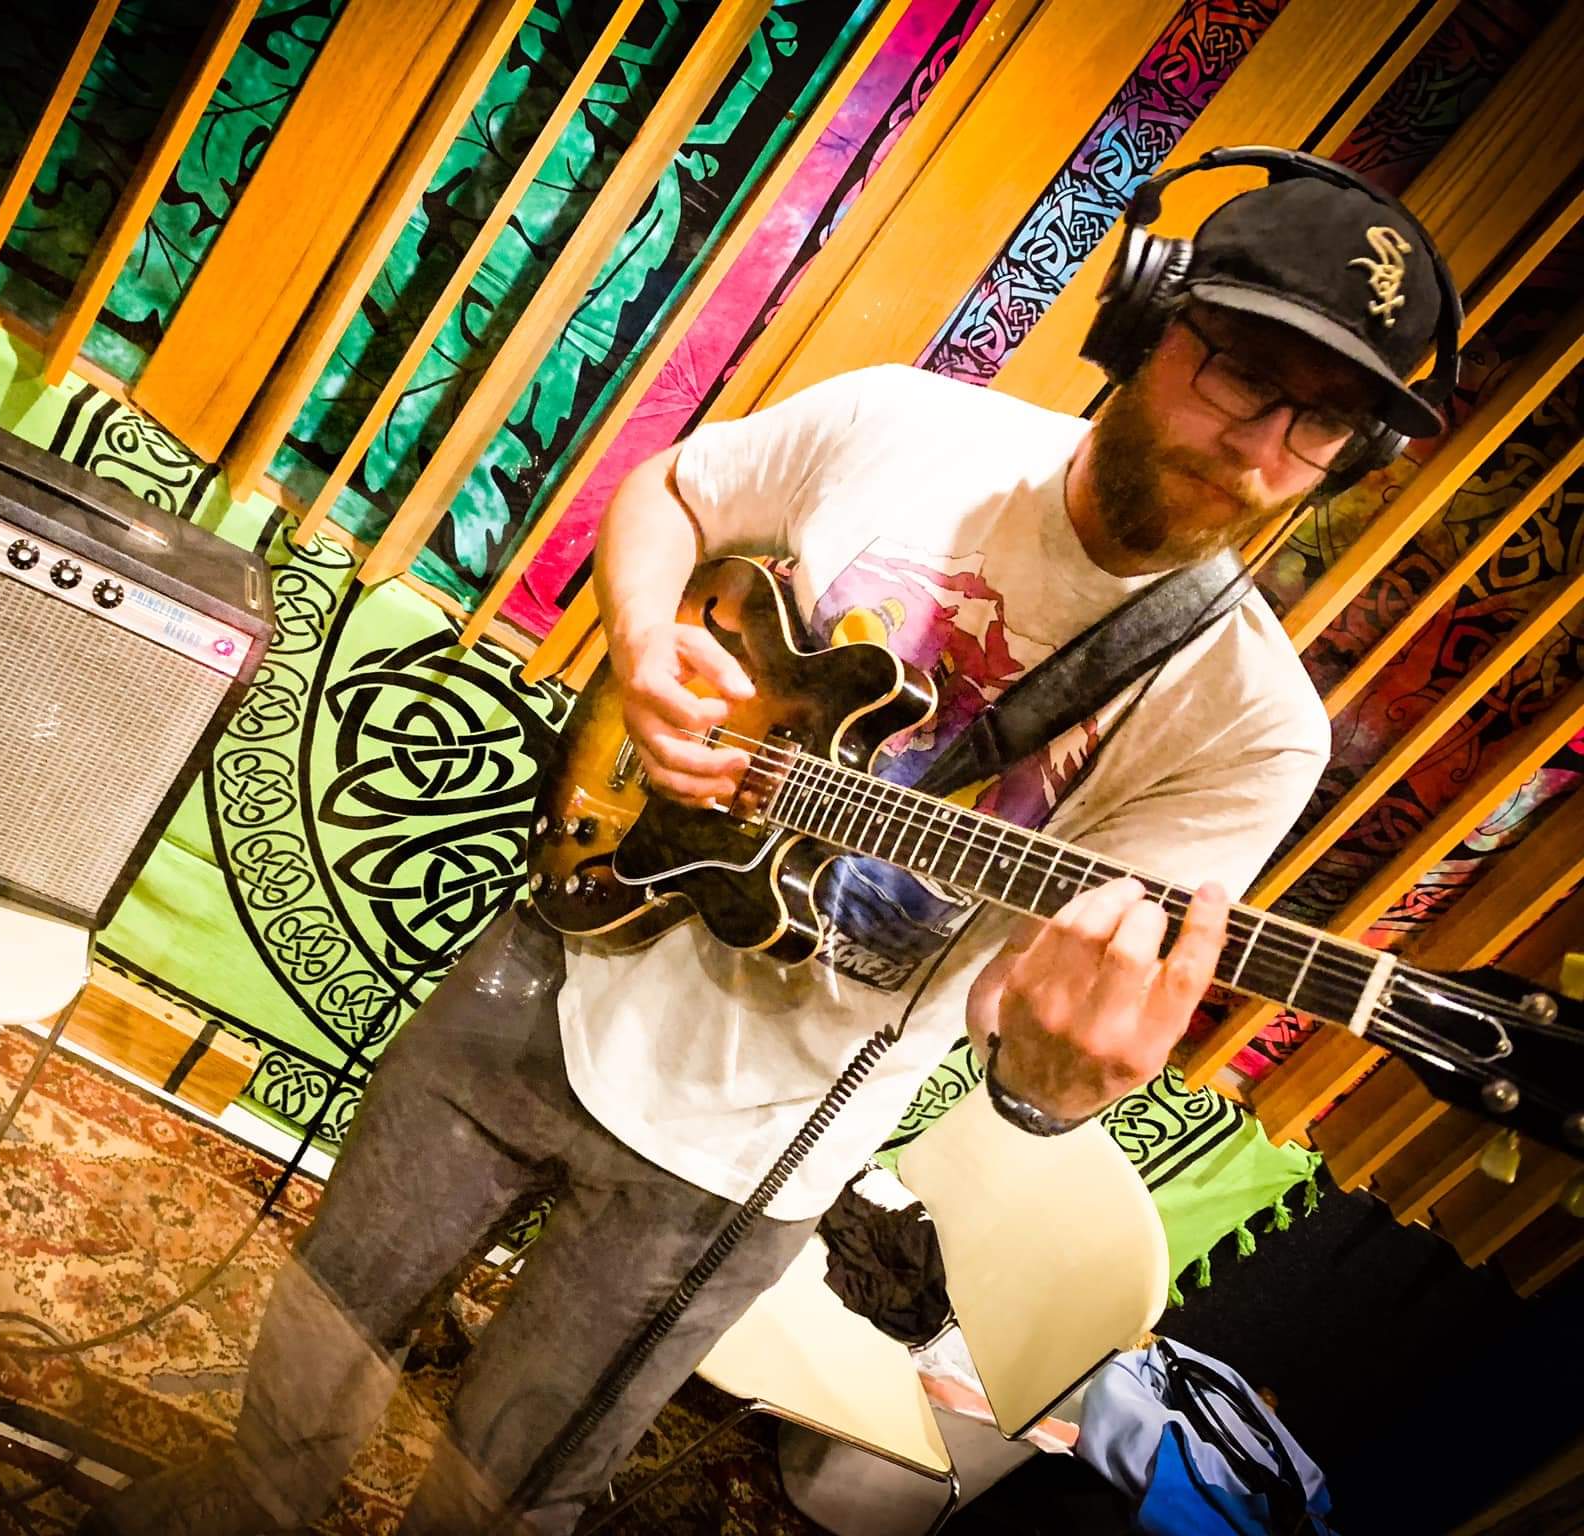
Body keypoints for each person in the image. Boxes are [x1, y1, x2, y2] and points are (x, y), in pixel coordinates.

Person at [87, 170, 1450, 1533]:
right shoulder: (911, 427)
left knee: (511, 1496)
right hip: (558, 954)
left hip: (751, 1148)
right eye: (1241, 373)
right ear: (1145, 321)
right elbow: (671, 493)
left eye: (1323, 422)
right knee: (320, 1320)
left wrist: (1048, 1081)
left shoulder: (1251, 728)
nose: (1260, 449)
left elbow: (1018, 999)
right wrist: (643, 648)